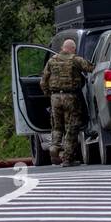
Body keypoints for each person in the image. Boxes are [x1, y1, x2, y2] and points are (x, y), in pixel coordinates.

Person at [40, 39, 94, 167]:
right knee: (71, 127)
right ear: (72, 49)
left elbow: (43, 81)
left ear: (62, 48)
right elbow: (90, 68)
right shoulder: (75, 59)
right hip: (71, 97)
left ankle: (54, 147)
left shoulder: (51, 61)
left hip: (55, 98)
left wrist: (49, 94)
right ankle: (67, 159)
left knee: (57, 126)